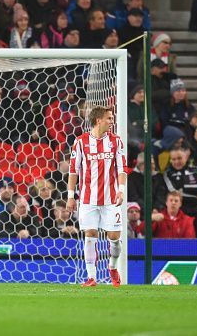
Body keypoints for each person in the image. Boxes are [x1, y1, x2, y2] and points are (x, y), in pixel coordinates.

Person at [67, 105, 128, 287]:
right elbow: (73, 170)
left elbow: (122, 168)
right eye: (109, 118)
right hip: (87, 198)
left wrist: (121, 190)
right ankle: (91, 277)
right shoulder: (80, 142)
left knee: (114, 238)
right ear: (98, 120)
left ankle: (112, 267)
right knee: (90, 233)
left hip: (111, 198)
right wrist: (71, 196)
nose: (111, 121)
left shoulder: (116, 142)